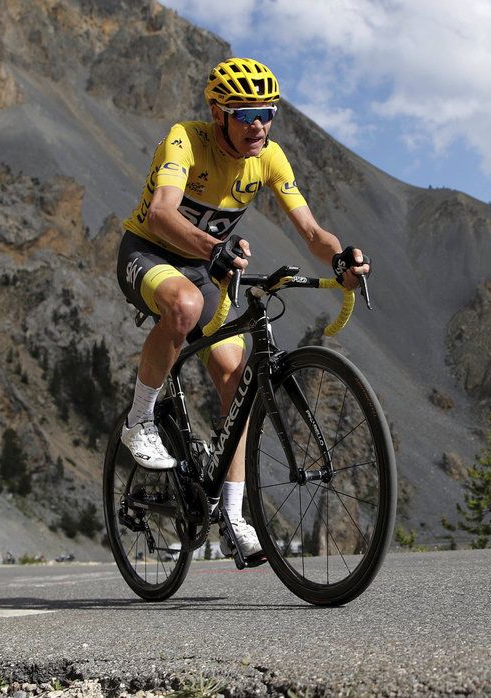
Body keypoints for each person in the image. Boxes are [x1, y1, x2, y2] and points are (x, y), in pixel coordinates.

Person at [115, 57, 370, 558]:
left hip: (210, 269)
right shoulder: (185, 139)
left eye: (268, 112)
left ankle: (232, 515)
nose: (259, 124)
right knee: (185, 305)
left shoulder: (270, 158)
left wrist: (340, 258)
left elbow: (313, 233)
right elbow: (163, 211)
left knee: (237, 380)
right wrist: (213, 249)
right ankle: (139, 420)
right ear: (217, 113)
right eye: (246, 112)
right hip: (149, 253)